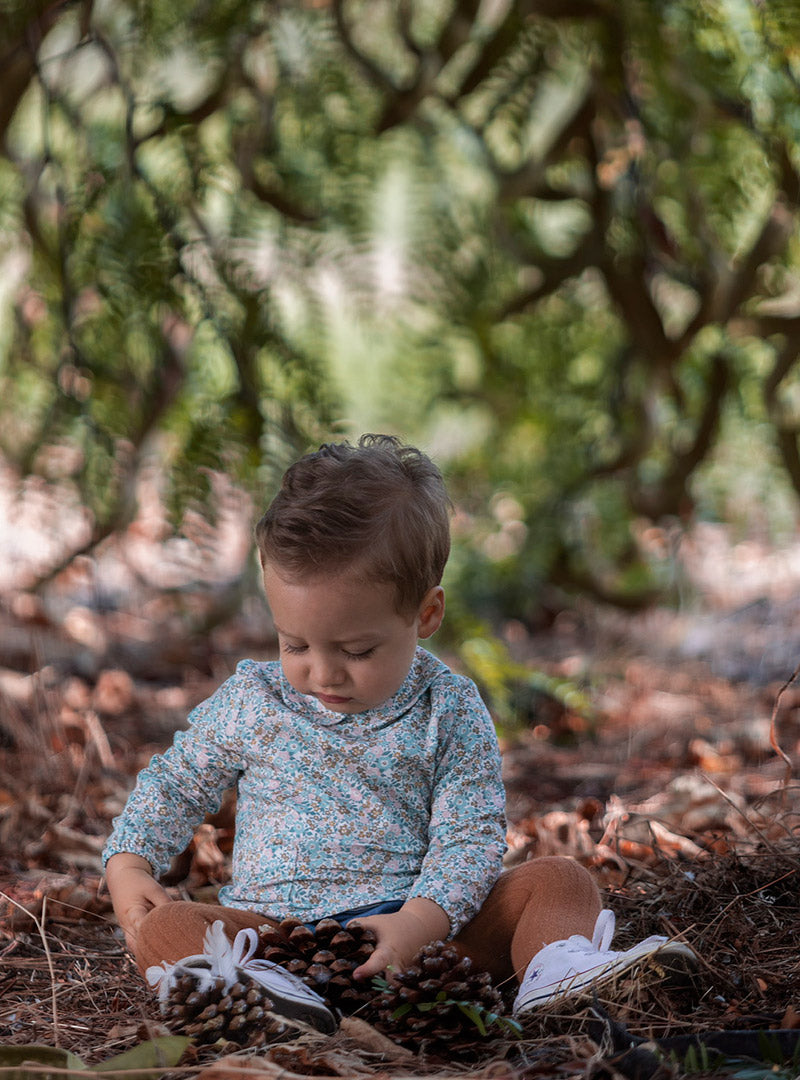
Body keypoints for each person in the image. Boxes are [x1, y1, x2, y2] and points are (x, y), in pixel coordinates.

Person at [103, 435, 690, 1030]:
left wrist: (419, 922)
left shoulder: (449, 708)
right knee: (169, 928)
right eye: (295, 644)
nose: (323, 672)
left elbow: (470, 837)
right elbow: (176, 783)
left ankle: (556, 977)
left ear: (425, 615)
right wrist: (128, 862)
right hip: (273, 938)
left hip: (425, 941)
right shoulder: (254, 700)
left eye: (357, 649)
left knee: (562, 881)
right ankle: (262, 997)